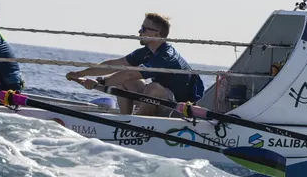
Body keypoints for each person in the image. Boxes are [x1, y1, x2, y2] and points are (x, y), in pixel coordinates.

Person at [65, 13, 204, 116]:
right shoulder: (146, 52)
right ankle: (124, 121)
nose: (139, 32)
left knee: (153, 88)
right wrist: (81, 73)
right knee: (123, 84)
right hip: (161, 103)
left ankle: (135, 126)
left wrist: (98, 82)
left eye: (144, 29)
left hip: (178, 111)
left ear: (157, 34)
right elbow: (114, 64)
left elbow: (129, 74)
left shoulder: (166, 57)